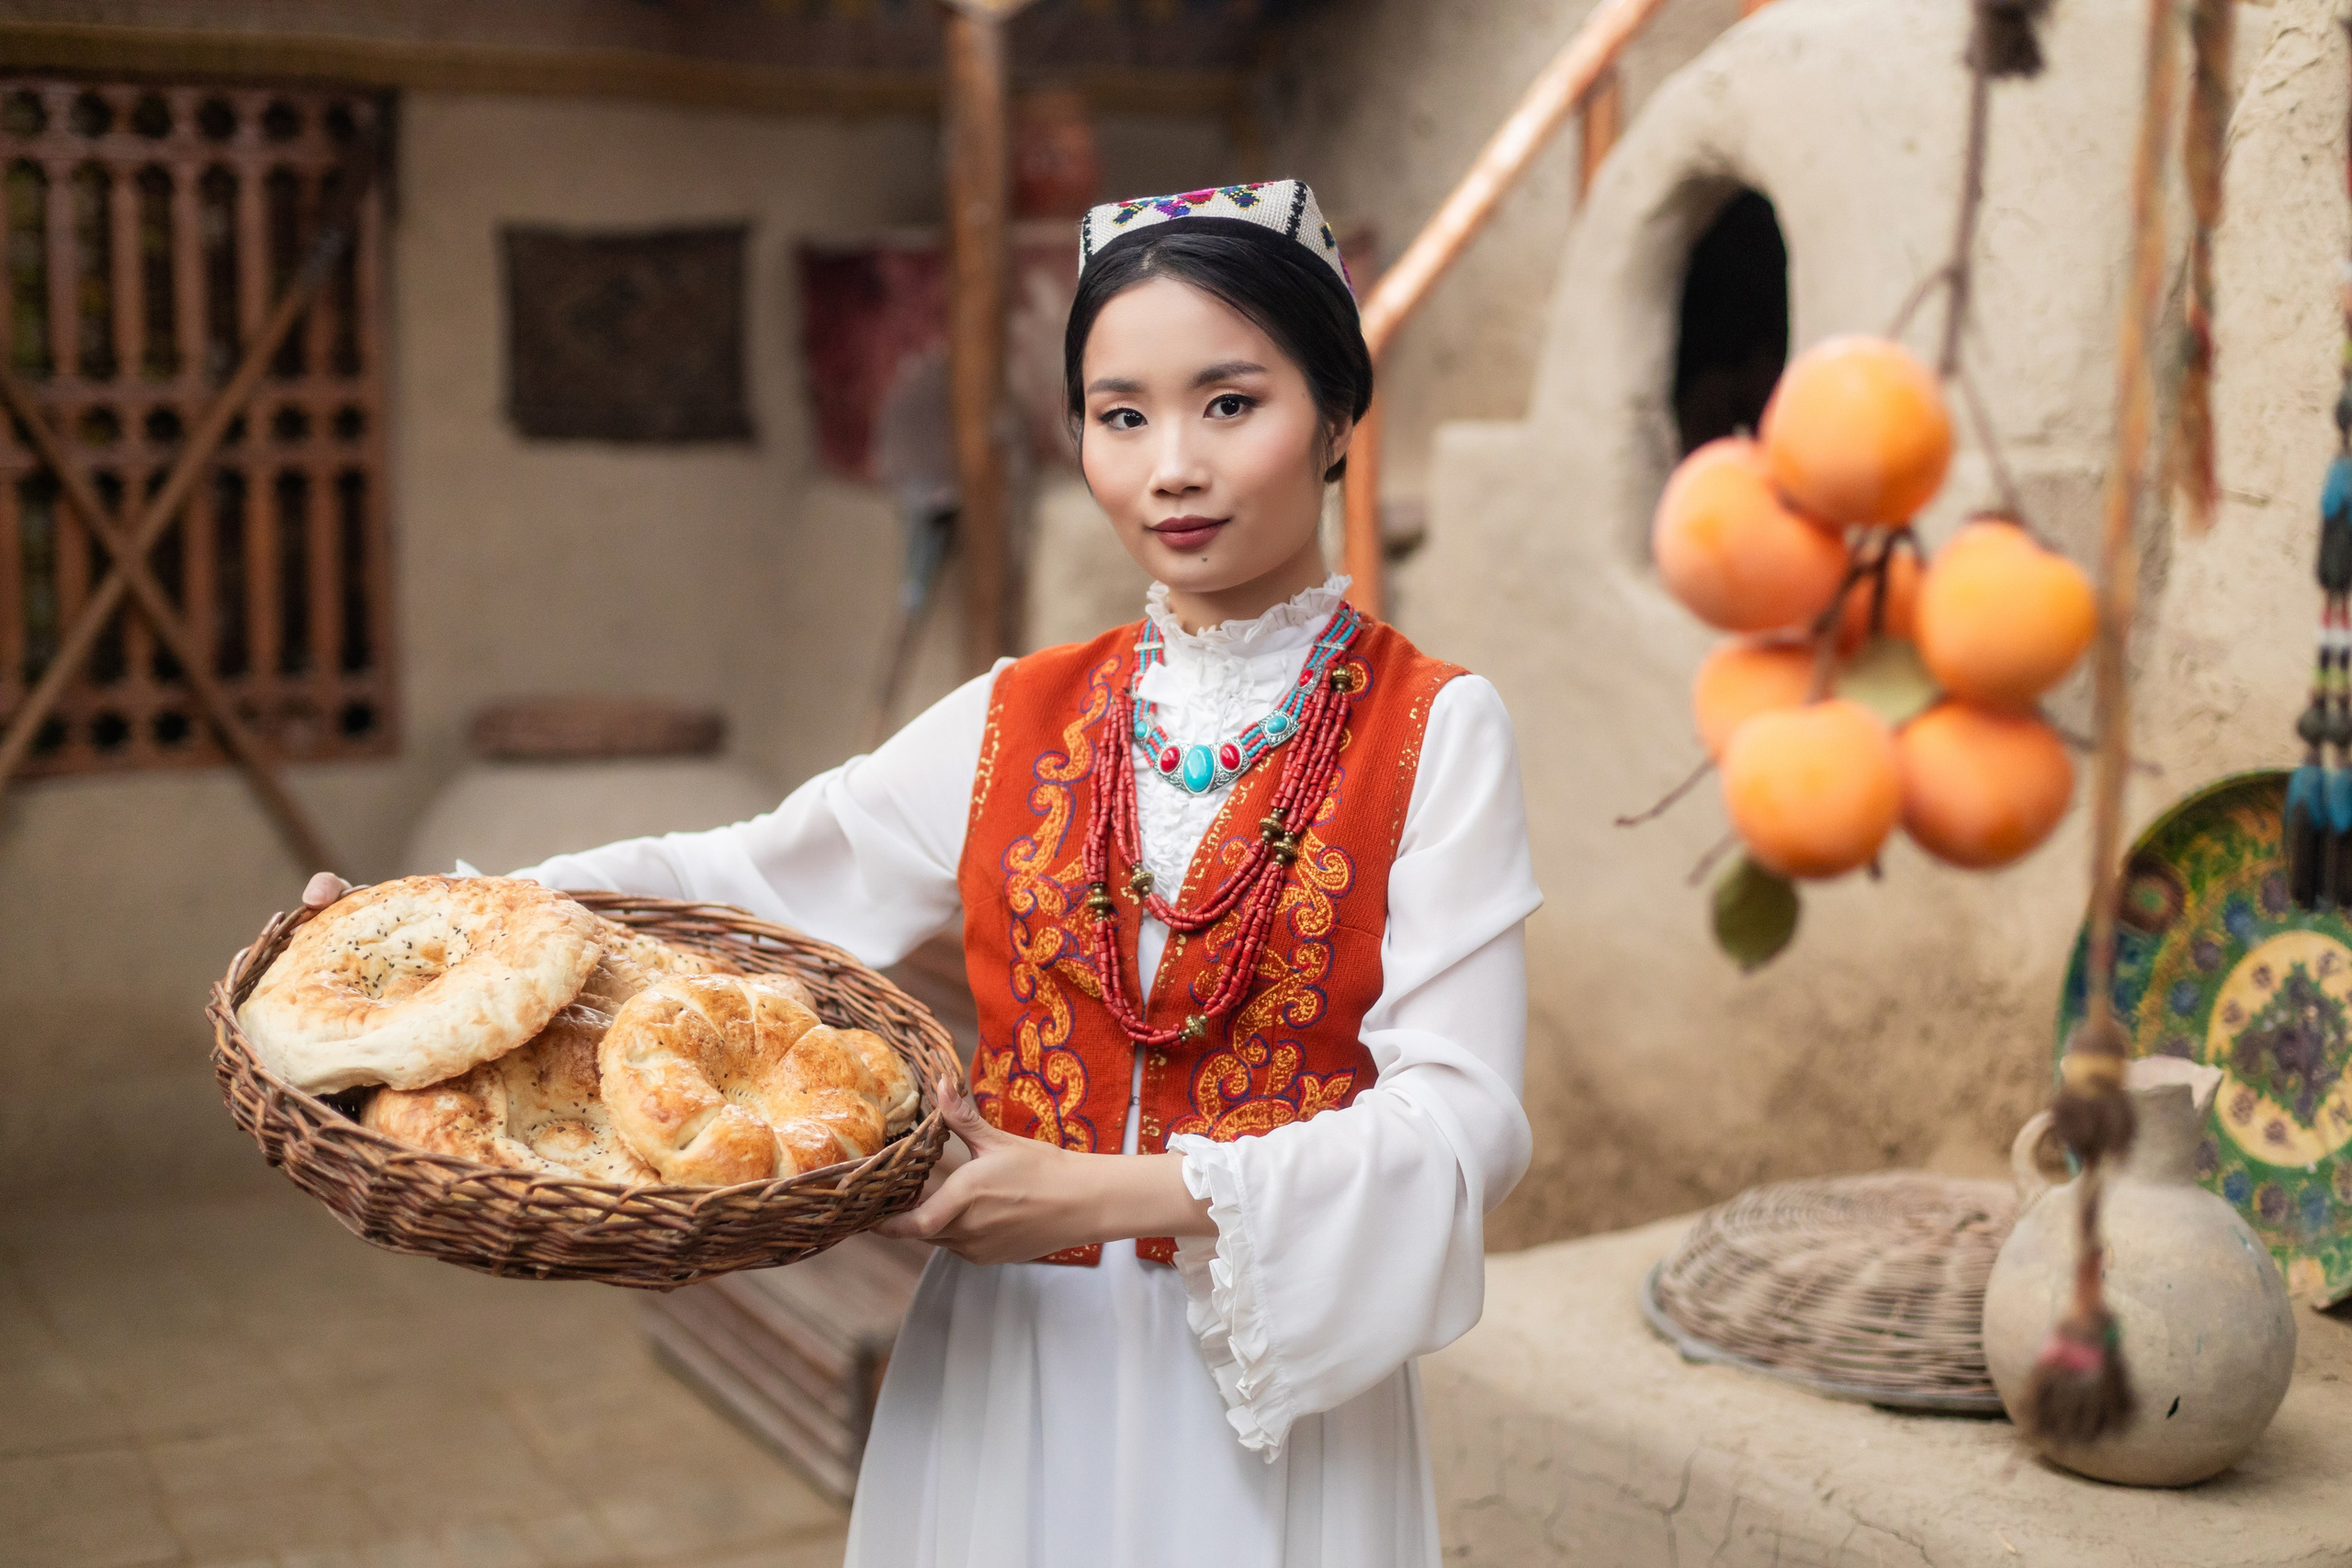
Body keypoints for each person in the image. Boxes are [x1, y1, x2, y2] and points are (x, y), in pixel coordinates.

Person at [312, 180, 1538, 1567]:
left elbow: (1461, 1125)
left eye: (1230, 402)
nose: (1170, 467)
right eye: (1119, 414)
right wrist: (420, 928)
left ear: (1336, 413)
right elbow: (739, 884)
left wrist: (1095, 1198)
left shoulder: (1436, 729)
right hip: (1011, 1363)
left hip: (1272, 1371)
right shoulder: (1015, 714)